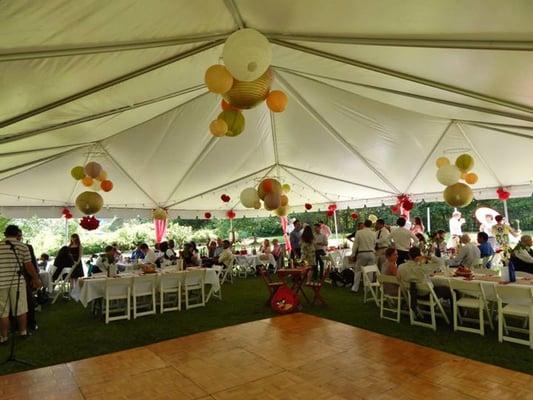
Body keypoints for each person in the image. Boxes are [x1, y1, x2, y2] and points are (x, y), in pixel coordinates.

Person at [1, 225, 42, 344]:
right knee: (21, 308)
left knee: (2, 311)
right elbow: (29, 266)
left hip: (1, 283)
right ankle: (23, 332)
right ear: (17, 234)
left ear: (5, 234)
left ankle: (3, 337)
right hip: (17, 283)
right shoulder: (23, 246)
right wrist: (36, 278)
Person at [350, 220, 376, 292]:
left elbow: (356, 244)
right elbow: (374, 243)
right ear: (371, 225)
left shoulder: (359, 232)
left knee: (358, 271)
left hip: (362, 253)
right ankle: (368, 289)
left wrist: (353, 254)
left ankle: (355, 288)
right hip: (371, 253)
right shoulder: (374, 233)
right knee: (370, 271)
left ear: (364, 224)